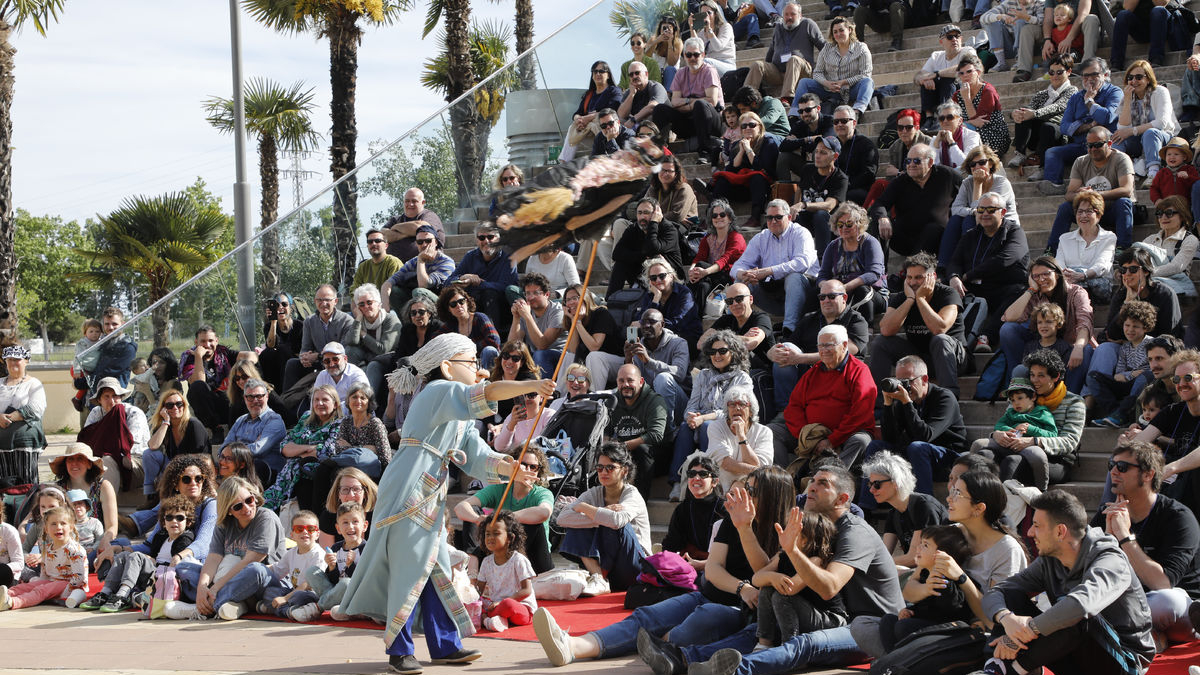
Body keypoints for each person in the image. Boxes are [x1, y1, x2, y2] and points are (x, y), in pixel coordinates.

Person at [338, 333, 553, 673]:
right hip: (410, 483)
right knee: (410, 566)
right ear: (447, 367)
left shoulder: (457, 407)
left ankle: (445, 645)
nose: (478, 369)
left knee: (433, 565)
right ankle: (399, 648)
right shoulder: (440, 391)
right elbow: (490, 392)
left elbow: (476, 454)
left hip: (427, 485)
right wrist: (532, 384)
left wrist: (505, 465)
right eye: (472, 362)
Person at [532, 465, 793, 667]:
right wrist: (741, 587)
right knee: (647, 616)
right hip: (709, 593)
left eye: (753, 490)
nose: (744, 494)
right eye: (746, 486)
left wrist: (745, 530)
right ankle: (573, 646)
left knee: (696, 624)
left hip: (740, 611)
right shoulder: (732, 520)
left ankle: (664, 646)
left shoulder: (787, 530)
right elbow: (713, 569)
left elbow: (764, 573)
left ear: (772, 497)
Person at [658, 465, 904, 675]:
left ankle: (734, 670)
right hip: (832, 618)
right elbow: (762, 572)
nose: (812, 487)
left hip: (871, 628)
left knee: (805, 643)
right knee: (761, 629)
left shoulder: (854, 532)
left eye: (823, 484)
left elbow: (828, 588)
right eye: (812, 481)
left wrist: (793, 552)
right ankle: (684, 659)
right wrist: (744, 528)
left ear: (842, 499)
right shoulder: (814, 525)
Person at [976, 490, 1155, 675]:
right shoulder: (1051, 559)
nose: (1029, 532)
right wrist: (1008, 619)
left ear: (1060, 531)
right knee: (1011, 596)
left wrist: (1028, 629)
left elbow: (1081, 606)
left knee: (1075, 612)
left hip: (1125, 660)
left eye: (1036, 525)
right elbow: (997, 591)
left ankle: (1012, 671)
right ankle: (997, 666)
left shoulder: (1110, 559)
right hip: (1075, 652)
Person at [1093, 441, 1200, 646]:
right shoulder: (1107, 513)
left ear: (1148, 475)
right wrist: (1107, 538)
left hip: (1176, 608)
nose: (1114, 472)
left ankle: (1142, 634)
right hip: (1129, 602)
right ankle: (1150, 636)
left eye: (1122, 467)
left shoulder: (1178, 517)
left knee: (1168, 601)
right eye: (1111, 465)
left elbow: (1162, 584)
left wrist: (1124, 537)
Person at [168, 476, 287, 621]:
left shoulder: (266, 518)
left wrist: (215, 589)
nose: (247, 508)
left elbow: (249, 562)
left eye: (249, 500)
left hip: (263, 583)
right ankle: (236, 604)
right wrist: (202, 587)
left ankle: (204, 607)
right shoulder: (223, 523)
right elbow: (213, 558)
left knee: (256, 569)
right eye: (238, 506)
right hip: (230, 580)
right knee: (184, 567)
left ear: (254, 497)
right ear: (228, 510)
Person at [972, 349, 1086, 490]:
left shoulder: (1074, 402)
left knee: (1012, 462)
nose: (1035, 380)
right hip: (1016, 447)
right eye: (1032, 375)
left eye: (1041, 376)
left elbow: (1070, 442)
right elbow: (1007, 421)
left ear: (1055, 377)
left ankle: (1002, 507)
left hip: (1055, 460)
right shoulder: (1025, 395)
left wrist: (1034, 441)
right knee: (985, 455)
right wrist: (997, 434)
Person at [768, 324, 875, 469]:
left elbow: (860, 412)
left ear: (844, 345)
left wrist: (832, 439)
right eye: (820, 346)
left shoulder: (859, 371)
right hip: (811, 434)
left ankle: (831, 478)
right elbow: (794, 407)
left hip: (845, 436)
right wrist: (807, 435)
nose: (823, 351)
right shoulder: (813, 373)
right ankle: (783, 480)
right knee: (771, 432)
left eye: (828, 345)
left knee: (861, 441)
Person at [667, 331, 754, 501]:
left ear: (734, 352)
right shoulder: (704, 375)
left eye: (722, 351)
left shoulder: (742, 378)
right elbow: (692, 404)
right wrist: (691, 417)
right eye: (712, 352)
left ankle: (713, 479)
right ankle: (678, 484)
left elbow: (733, 411)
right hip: (700, 422)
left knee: (708, 426)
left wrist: (704, 418)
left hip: (730, 426)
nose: (717, 355)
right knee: (685, 427)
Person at [866, 356, 967, 498]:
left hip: (948, 459)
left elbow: (926, 436)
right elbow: (890, 439)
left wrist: (907, 403)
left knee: (917, 447)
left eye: (908, 381)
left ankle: (924, 503)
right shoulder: (905, 400)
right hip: (916, 456)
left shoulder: (944, 398)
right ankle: (866, 507)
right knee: (876, 446)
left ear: (924, 379)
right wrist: (888, 406)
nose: (904, 387)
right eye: (899, 381)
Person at [872, 252, 968, 397]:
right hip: (921, 361)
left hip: (953, 360)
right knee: (880, 342)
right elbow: (885, 329)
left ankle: (950, 398)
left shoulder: (948, 294)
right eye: (909, 277)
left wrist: (921, 299)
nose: (913, 282)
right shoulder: (903, 297)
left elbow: (939, 328)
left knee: (940, 339)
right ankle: (878, 403)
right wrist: (910, 299)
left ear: (933, 277)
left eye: (918, 277)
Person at [81, 494, 196, 613]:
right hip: (150, 576)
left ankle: (122, 595)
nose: (174, 521)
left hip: (165, 578)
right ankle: (105, 592)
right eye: (169, 518)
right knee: (123, 555)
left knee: (136, 556)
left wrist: (152, 560)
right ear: (163, 522)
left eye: (180, 518)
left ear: (188, 522)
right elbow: (150, 551)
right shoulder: (161, 536)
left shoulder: (185, 539)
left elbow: (175, 567)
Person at [770, 278, 869, 410]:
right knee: (785, 351)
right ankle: (786, 410)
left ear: (844, 297)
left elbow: (848, 349)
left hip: (841, 373)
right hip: (811, 373)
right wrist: (772, 352)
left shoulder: (856, 320)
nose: (826, 300)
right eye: (822, 297)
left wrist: (801, 359)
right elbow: (789, 344)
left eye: (832, 296)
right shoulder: (809, 319)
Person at [751, 510, 844, 649]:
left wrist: (776, 579)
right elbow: (755, 579)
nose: (784, 534)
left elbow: (791, 588)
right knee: (766, 589)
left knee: (782, 596)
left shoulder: (816, 560)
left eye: (791, 531)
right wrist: (772, 577)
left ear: (805, 540)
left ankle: (790, 647)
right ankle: (764, 644)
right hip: (803, 614)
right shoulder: (782, 556)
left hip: (830, 619)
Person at [999, 256, 1093, 392]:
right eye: (1036, 276)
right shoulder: (1034, 295)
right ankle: (1020, 386)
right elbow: (1009, 317)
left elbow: (1085, 321)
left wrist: (1078, 347)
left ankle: (1069, 397)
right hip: (1041, 347)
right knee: (1008, 330)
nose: (1041, 279)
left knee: (1086, 349)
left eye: (1046, 274)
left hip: (1069, 350)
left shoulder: (1076, 293)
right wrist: (1030, 290)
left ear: (1057, 274)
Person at [455, 446, 554, 575]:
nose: (527, 470)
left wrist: (503, 518)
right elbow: (460, 507)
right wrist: (478, 519)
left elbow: (544, 512)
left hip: (532, 557)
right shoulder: (499, 490)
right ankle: (472, 571)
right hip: (498, 551)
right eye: (523, 465)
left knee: (533, 523)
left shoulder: (542, 493)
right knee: (473, 514)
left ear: (539, 471)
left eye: (533, 467)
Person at [730, 199, 818, 333]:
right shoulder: (761, 237)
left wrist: (767, 271)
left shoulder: (801, 233)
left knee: (793, 277)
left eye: (778, 217)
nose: (773, 221)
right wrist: (745, 274)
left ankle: (789, 330)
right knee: (741, 283)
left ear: (789, 217)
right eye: (769, 217)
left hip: (804, 296)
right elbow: (737, 266)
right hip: (773, 295)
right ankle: (734, 328)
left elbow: (802, 263)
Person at [1038, 57, 1124, 193]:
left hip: (1104, 144)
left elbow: (1107, 117)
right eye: (1085, 76)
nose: (1090, 79)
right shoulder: (1076, 97)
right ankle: (1055, 185)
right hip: (1081, 145)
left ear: (1105, 75)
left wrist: (1089, 101)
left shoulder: (1114, 92)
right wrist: (1089, 125)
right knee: (1052, 152)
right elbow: (1064, 127)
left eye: (1094, 74)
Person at [871, 143, 963, 259]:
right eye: (908, 161)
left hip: (937, 239)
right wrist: (882, 218)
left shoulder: (947, 176)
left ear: (930, 163)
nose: (911, 165)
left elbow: (967, 190)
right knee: (877, 222)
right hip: (906, 238)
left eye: (917, 161)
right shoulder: (900, 181)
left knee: (933, 229)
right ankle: (880, 271)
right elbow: (880, 203)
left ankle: (913, 268)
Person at [861, 450, 950, 567]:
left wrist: (875, 566)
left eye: (877, 484)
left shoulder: (924, 506)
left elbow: (914, 558)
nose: (871, 490)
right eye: (870, 484)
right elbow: (884, 555)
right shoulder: (894, 513)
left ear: (896, 482)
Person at [262, 384, 342, 512]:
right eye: (316, 400)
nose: (319, 403)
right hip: (289, 474)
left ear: (336, 404)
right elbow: (284, 447)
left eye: (325, 400)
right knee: (263, 505)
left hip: (314, 476)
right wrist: (308, 449)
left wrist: (297, 450)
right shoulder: (306, 417)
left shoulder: (339, 423)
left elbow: (327, 451)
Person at [941, 145, 1020, 270]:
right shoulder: (967, 183)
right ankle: (943, 266)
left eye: (982, 162)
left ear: (991, 164)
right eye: (973, 164)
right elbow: (955, 208)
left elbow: (989, 211)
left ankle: (970, 265)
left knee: (969, 219)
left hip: (1002, 225)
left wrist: (978, 185)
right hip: (981, 221)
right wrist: (973, 211)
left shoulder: (1002, 183)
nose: (977, 167)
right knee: (956, 219)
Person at [0, 506, 87, 610]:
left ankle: (12, 602)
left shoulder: (75, 550)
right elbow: (45, 573)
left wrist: (64, 593)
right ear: (46, 528)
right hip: (51, 582)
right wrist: (38, 584)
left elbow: (79, 579)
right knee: (25, 587)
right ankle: (5, 595)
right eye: (53, 524)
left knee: (40, 591)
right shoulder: (48, 548)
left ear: (71, 527)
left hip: (69, 585)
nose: (58, 527)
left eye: (63, 523)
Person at [652, 37, 724, 162]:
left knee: (701, 105)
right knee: (659, 109)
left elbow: (711, 101)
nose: (692, 58)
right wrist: (691, 103)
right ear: (684, 56)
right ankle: (662, 151)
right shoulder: (680, 73)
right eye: (688, 55)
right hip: (690, 122)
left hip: (712, 122)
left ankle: (705, 152)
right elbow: (674, 102)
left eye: (696, 54)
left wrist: (687, 102)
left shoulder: (709, 71)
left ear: (703, 55)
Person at [608, 363, 673, 499]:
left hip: (657, 456)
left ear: (641, 381)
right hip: (626, 453)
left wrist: (622, 447)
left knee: (641, 450)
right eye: (621, 381)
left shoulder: (655, 401)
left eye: (630, 380)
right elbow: (605, 432)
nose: (625, 384)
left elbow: (655, 435)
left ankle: (639, 505)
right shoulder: (613, 401)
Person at [1009, 54, 1077, 181]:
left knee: (1048, 127)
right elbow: (1030, 108)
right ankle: (1020, 152)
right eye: (1051, 72)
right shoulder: (1042, 94)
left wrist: (1034, 114)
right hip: (1038, 137)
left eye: (1059, 72)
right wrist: (1015, 113)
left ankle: (1043, 168)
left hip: (1058, 133)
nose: (1055, 75)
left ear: (1069, 72)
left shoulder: (1072, 91)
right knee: (1023, 112)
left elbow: (1058, 107)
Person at [1113, 61, 1179, 188]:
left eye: (1139, 77)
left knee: (1150, 132)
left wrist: (1132, 131)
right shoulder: (1127, 96)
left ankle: (1153, 173)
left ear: (1148, 79)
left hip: (1164, 137)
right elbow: (1122, 129)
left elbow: (1161, 123)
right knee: (1116, 139)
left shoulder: (1160, 92)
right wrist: (1127, 100)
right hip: (1139, 139)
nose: (1134, 81)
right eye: (1130, 78)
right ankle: (1121, 176)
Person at [78, 377, 149, 496]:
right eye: (106, 396)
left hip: (133, 461)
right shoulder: (96, 412)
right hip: (99, 460)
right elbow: (86, 441)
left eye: (116, 396)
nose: (112, 401)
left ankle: (104, 506)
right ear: (99, 399)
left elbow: (129, 444)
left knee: (107, 460)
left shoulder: (133, 413)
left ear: (121, 397)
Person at [790, 17, 874, 116]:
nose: (838, 34)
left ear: (849, 30)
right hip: (829, 90)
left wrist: (844, 82)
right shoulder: (827, 49)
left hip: (851, 89)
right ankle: (794, 114)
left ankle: (857, 111)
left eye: (841, 30)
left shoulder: (861, 48)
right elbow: (817, 73)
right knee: (804, 82)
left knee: (868, 82)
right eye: (835, 32)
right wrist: (827, 83)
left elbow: (865, 74)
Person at [141, 388, 209, 509]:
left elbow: (199, 456)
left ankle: (159, 500)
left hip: (193, 467)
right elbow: (153, 446)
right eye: (170, 405)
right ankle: (150, 495)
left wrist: (174, 467)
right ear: (164, 408)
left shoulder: (193, 424)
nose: (175, 408)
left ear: (184, 405)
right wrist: (166, 422)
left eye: (179, 404)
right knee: (148, 454)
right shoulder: (165, 427)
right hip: (172, 466)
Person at [254, 509, 327, 622]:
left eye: (310, 528)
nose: (305, 532)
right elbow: (277, 570)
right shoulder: (291, 552)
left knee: (300, 597)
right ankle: (291, 611)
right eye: (299, 529)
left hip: (311, 594)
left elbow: (308, 584)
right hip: (292, 592)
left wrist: (284, 598)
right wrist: (257, 568)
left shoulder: (318, 554)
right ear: (292, 535)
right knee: (270, 592)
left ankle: (277, 609)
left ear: (317, 534)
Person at [711, 111, 780, 228]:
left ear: (760, 126)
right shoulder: (738, 144)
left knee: (756, 176)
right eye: (744, 126)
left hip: (763, 188)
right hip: (743, 188)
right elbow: (731, 170)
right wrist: (741, 151)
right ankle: (711, 215)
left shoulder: (768, 142)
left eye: (752, 125)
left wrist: (748, 150)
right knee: (722, 180)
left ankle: (755, 218)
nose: (747, 128)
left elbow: (764, 169)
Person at [817, 202, 884, 322]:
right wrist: (827, 287)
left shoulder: (870, 243)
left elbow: (873, 274)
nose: (844, 228)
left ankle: (866, 328)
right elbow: (822, 275)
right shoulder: (833, 246)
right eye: (840, 224)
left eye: (849, 224)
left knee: (862, 290)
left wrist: (844, 287)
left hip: (873, 293)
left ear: (859, 225)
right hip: (839, 292)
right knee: (817, 293)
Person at [283, 285, 354, 393]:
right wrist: (305, 358)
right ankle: (287, 402)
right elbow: (305, 348)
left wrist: (318, 356)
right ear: (315, 301)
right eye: (319, 300)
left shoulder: (347, 321)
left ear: (335, 301)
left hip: (337, 363)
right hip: (317, 363)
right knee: (292, 364)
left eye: (327, 300)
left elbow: (343, 351)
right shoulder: (309, 321)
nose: (323, 303)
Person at [475, 510, 538, 632]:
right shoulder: (486, 562)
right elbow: (479, 591)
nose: (490, 538)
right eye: (487, 534)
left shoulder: (518, 560)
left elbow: (526, 590)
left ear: (510, 537)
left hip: (519, 608)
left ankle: (485, 620)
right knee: (474, 602)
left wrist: (500, 603)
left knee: (508, 604)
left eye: (496, 533)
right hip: (495, 606)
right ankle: (495, 620)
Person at [608, 197, 684, 297]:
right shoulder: (633, 229)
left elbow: (652, 248)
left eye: (646, 213)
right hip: (643, 274)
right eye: (639, 213)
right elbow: (617, 254)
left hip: (668, 277)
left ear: (656, 214)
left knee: (656, 259)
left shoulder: (669, 229)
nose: (642, 217)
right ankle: (610, 300)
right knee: (620, 263)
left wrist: (653, 223)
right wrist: (643, 256)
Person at [745, 2, 823, 98]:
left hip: (802, 71)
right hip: (779, 72)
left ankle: (787, 97)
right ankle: (746, 98)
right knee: (758, 65)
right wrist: (765, 69)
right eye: (786, 14)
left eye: (793, 14)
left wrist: (822, 69)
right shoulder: (779, 27)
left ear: (800, 15)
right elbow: (771, 52)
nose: (789, 17)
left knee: (794, 59)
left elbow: (823, 46)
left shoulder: (807, 24)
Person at [663, 455, 727, 571]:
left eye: (702, 474)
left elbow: (730, 552)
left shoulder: (724, 509)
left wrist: (703, 563)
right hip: (686, 566)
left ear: (715, 481)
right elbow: (671, 546)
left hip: (718, 568)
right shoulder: (682, 509)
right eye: (692, 474)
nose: (696, 478)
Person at [1012, 0, 1101, 82]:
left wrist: (1069, 38)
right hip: (1057, 33)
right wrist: (1047, 40)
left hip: (1079, 31)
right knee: (1027, 29)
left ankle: (1086, 65)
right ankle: (1024, 70)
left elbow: (1083, 14)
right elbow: (1048, 19)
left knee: (1091, 19)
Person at [222, 378, 288, 488]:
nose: (255, 401)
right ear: (245, 398)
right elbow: (224, 447)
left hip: (265, 474)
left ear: (267, 396)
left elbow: (257, 450)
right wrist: (235, 453)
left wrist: (232, 452)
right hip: (240, 468)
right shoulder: (240, 420)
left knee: (257, 465)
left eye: (259, 396)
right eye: (250, 397)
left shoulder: (274, 421)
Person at [1055, 192, 1117, 304]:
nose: (1083, 216)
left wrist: (1083, 275)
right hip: (1072, 283)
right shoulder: (1064, 239)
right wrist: (1070, 275)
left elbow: (1103, 264)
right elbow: (1059, 263)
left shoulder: (1109, 237)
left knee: (1089, 284)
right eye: (1080, 212)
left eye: (1089, 211)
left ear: (1099, 214)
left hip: (1099, 286)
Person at [790, 136, 849, 255]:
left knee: (821, 214)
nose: (817, 156)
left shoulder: (840, 178)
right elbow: (799, 190)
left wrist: (803, 204)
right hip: (807, 219)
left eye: (823, 153)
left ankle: (822, 259)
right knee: (790, 218)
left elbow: (829, 205)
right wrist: (795, 207)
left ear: (835, 156)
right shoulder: (807, 169)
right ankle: (795, 257)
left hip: (829, 224)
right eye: (816, 151)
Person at [343, 283, 401, 402]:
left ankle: (368, 403)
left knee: (373, 366)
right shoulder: (361, 320)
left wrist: (363, 334)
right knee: (350, 351)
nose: (366, 307)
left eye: (369, 302)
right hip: (368, 356)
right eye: (361, 304)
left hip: (387, 360)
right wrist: (358, 319)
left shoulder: (390, 319)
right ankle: (345, 397)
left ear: (379, 304)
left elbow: (383, 349)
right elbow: (351, 341)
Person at [381, 224, 455, 313]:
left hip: (442, 305)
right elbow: (388, 283)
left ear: (435, 242)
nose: (424, 244)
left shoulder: (446, 262)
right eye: (420, 242)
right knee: (394, 291)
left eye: (428, 241)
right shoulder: (413, 262)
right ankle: (408, 325)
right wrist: (385, 307)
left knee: (419, 292)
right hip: (419, 306)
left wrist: (421, 261)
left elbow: (424, 285)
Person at [177, 325, 238, 432]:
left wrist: (257, 354)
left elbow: (251, 357)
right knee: (197, 387)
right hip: (207, 408)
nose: (207, 345)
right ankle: (216, 429)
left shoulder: (224, 353)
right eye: (203, 341)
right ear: (196, 342)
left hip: (227, 402)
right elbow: (198, 381)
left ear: (216, 341)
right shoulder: (190, 358)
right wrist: (198, 357)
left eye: (210, 341)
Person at [0, 345, 45, 486]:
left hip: (24, 443)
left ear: (26, 361)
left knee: (26, 485)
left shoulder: (33, 383)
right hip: (1, 444)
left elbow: (37, 408)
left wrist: (9, 417)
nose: (13, 363)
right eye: (10, 359)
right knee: (3, 484)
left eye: (17, 359)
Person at [688, 199, 747, 306]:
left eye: (722, 214)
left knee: (700, 265)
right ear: (711, 220)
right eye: (714, 216)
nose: (718, 217)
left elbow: (724, 260)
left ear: (729, 218)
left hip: (729, 278)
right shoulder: (708, 239)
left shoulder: (736, 238)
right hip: (711, 278)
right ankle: (695, 319)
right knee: (703, 286)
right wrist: (691, 270)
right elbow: (699, 257)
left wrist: (704, 272)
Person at [633, 257, 703, 347]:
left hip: (683, 338)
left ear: (671, 276)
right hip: (658, 336)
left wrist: (648, 324)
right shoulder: (651, 295)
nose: (658, 280)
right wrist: (656, 299)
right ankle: (631, 357)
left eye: (662, 276)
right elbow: (640, 318)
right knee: (632, 332)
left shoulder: (684, 294)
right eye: (653, 278)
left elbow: (676, 323)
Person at [508, 272, 566, 380]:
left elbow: (542, 344)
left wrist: (527, 316)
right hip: (536, 358)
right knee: (510, 356)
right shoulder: (527, 312)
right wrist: (516, 318)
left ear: (547, 294)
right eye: (527, 293)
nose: (530, 297)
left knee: (540, 354)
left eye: (536, 292)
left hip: (560, 357)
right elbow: (512, 345)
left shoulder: (557, 311)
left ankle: (544, 395)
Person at [914, 26, 978, 124]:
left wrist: (936, 74)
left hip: (966, 93)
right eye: (950, 37)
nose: (954, 39)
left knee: (947, 80)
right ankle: (929, 118)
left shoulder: (968, 51)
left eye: (957, 36)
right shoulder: (936, 55)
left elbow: (963, 69)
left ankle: (946, 115)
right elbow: (918, 76)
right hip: (940, 96)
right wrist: (925, 79)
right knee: (928, 81)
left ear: (961, 39)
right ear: (941, 42)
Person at [1138, 195, 1198, 296]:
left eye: (1169, 213)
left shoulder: (1189, 239)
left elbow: (1176, 267)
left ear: (1182, 216)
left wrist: (1145, 273)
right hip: (1148, 280)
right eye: (1159, 214)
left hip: (1175, 286)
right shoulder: (1151, 239)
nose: (1163, 217)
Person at [708, 281, 776, 369]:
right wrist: (738, 338)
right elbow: (702, 343)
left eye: (739, 299)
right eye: (730, 301)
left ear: (750, 299)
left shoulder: (761, 318)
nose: (735, 304)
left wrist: (720, 340)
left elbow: (750, 343)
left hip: (760, 370)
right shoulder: (725, 320)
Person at [953, 55, 1010, 155]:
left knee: (963, 130)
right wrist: (968, 122)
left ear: (978, 73)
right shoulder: (958, 95)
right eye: (961, 73)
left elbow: (980, 122)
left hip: (993, 136)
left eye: (969, 71)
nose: (965, 75)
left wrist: (967, 99)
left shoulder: (988, 91)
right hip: (969, 132)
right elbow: (953, 119)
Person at [436, 285, 501, 371]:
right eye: (453, 304)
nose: (459, 306)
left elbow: (494, 340)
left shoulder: (479, 318)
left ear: (466, 302)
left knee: (489, 350)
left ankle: (488, 382)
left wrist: (467, 349)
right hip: (462, 363)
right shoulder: (450, 326)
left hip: (484, 361)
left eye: (461, 301)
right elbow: (435, 342)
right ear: (448, 309)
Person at [776, 93, 834, 179]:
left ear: (818, 108)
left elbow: (825, 143)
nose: (804, 114)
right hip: (807, 166)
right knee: (784, 157)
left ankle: (821, 185)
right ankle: (784, 189)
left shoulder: (830, 121)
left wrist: (798, 144)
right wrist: (808, 139)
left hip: (830, 168)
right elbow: (783, 147)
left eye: (808, 110)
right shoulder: (799, 125)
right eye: (801, 111)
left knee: (819, 151)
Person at [828, 106, 877, 206]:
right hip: (834, 189)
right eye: (836, 122)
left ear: (854, 123)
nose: (839, 124)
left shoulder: (866, 145)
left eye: (844, 121)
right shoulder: (830, 144)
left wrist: (844, 186)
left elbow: (868, 173)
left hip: (857, 190)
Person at [381, 187, 445, 262]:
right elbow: (383, 236)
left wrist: (396, 227)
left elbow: (424, 228)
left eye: (414, 201)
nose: (410, 204)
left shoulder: (430, 216)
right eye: (407, 201)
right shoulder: (395, 219)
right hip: (395, 268)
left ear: (423, 202)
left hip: (425, 266)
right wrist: (411, 232)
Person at [981, 0, 1045, 73]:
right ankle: (1001, 62)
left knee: (1020, 21)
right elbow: (983, 18)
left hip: (1029, 47)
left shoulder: (1039, 3)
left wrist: (1027, 18)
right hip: (1010, 47)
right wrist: (1001, 16)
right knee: (992, 21)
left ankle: (1019, 60)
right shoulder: (1009, 3)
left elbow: (1042, 22)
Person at [259, 291, 303, 392]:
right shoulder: (269, 327)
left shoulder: (300, 326)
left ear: (291, 308)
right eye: (277, 305)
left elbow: (300, 351)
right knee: (266, 354)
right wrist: (273, 322)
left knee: (282, 350)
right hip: (275, 366)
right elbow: (270, 345)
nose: (280, 308)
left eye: (284, 304)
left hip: (294, 364)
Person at [617, 60, 670, 139]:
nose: (634, 76)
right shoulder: (629, 91)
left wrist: (633, 120)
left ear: (646, 74)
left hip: (661, 129)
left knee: (652, 114)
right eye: (631, 75)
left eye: (637, 73)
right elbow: (621, 115)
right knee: (616, 122)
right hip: (638, 128)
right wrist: (632, 94)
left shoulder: (656, 87)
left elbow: (652, 107)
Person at [312, 342, 367, 413]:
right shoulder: (322, 375)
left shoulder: (356, 375)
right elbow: (314, 403)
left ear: (345, 359)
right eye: (327, 361)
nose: (331, 364)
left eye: (335, 359)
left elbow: (359, 405)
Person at [1153, 138, 1200, 204]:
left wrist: (1188, 177)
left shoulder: (1189, 169)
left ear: (1184, 157)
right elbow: (1154, 188)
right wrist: (1157, 199)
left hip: (1186, 205)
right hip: (1167, 205)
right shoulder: (1162, 172)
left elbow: (1197, 182)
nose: (1172, 157)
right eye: (1169, 154)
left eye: (1176, 154)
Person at [648, 15, 685, 89]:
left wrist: (670, 43)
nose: (666, 31)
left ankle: (668, 95)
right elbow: (646, 57)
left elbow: (671, 63)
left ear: (674, 31)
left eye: (669, 28)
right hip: (655, 77)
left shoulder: (678, 43)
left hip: (671, 77)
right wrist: (656, 41)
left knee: (670, 69)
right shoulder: (653, 40)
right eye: (664, 28)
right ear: (660, 29)